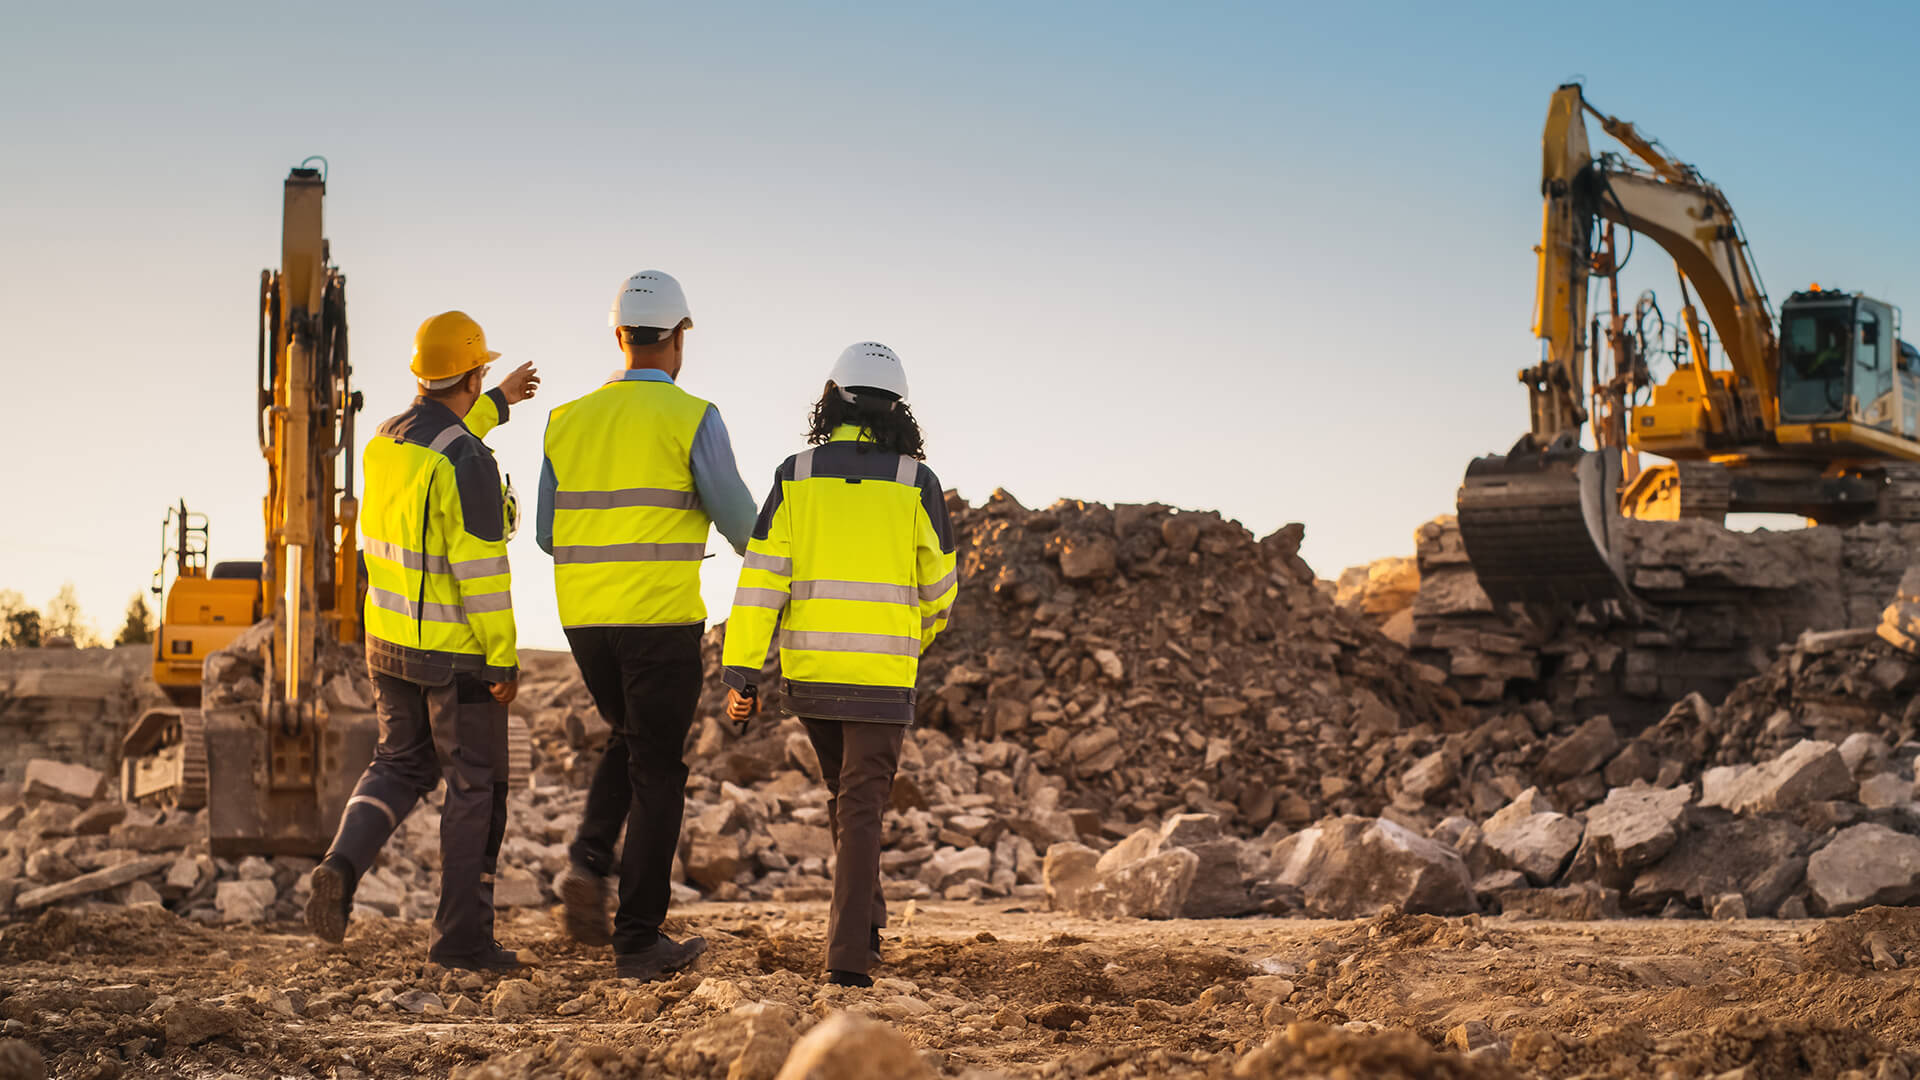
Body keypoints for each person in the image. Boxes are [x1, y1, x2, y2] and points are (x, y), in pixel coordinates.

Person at [305, 311, 539, 972]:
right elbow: (482, 572)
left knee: (399, 764)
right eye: (483, 375)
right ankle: (461, 941)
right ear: (470, 373)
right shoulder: (467, 458)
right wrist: (502, 659)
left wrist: (498, 402)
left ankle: (341, 869)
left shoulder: (388, 440)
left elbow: (446, 433)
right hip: (457, 653)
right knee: (477, 786)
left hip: (390, 645)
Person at [719, 342, 957, 988]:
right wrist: (911, 639)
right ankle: (849, 960)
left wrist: (741, 669)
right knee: (858, 809)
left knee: (848, 803)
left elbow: (761, 578)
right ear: (897, 411)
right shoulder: (918, 483)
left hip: (813, 681)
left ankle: (867, 923)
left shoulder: (795, 474)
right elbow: (940, 592)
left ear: (832, 400)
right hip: (883, 681)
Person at [541, 271, 756, 980]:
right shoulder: (693, 417)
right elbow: (741, 526)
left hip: (584, 621)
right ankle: (637, 939)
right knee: (660, 771)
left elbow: (546, 532)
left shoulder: (566, 420)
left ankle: (588, 859)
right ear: (680, 338)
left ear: (618, 336)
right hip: (659, 619)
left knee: (632, 739)